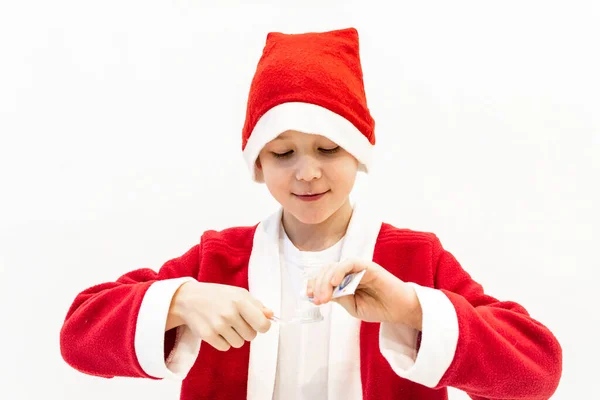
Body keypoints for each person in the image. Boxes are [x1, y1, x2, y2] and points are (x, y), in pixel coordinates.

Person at [59, 27, 562, 400]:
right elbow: (77, 336)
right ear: (257, 162)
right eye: (283, 154)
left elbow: (538, 371)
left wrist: (411, 309)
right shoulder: (218, 259)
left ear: (360, 156)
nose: (306, 174)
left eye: (328, 149)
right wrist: (182, 301)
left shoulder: (414, 257)